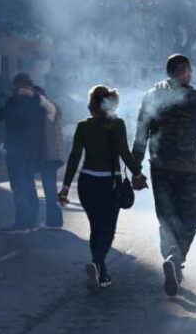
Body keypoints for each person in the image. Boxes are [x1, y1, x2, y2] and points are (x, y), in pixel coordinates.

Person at [132, 54, 196, 296]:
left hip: (159, 167)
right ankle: (176, 257)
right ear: (185, 71)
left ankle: (172, 257)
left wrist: (135, 169)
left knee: (166, 217)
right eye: (190, 70)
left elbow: (140, 135)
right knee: (191, 218)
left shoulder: (150, 96)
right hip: (187, 168)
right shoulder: (195, 97)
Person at [60, 85, 147, 293]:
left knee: (96, 228)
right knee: (107, 229)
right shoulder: (117, 125)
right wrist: (137, 173)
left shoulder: (82, 126)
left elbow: (74, 158)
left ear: (92, 104)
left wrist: (65, 187)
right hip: (110, 183)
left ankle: (100, 271)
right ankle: (97, 263)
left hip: (86, 182)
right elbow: (125, 153)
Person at [0, 73, 46, 233]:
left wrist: (9, 100)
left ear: (18, 85)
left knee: (19, 187)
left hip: (16, 150)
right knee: (29, 184)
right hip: (33, 150)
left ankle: (21, 223)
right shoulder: (37, 101)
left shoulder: (14, 101)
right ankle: (32, 221)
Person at [34, 85, 65, 229]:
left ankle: (54, 221)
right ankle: (54, 221)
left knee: (50, 190)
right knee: (50, 189)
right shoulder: (47, 109)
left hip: (49, 156)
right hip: (50, 155)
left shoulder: (49, 108)